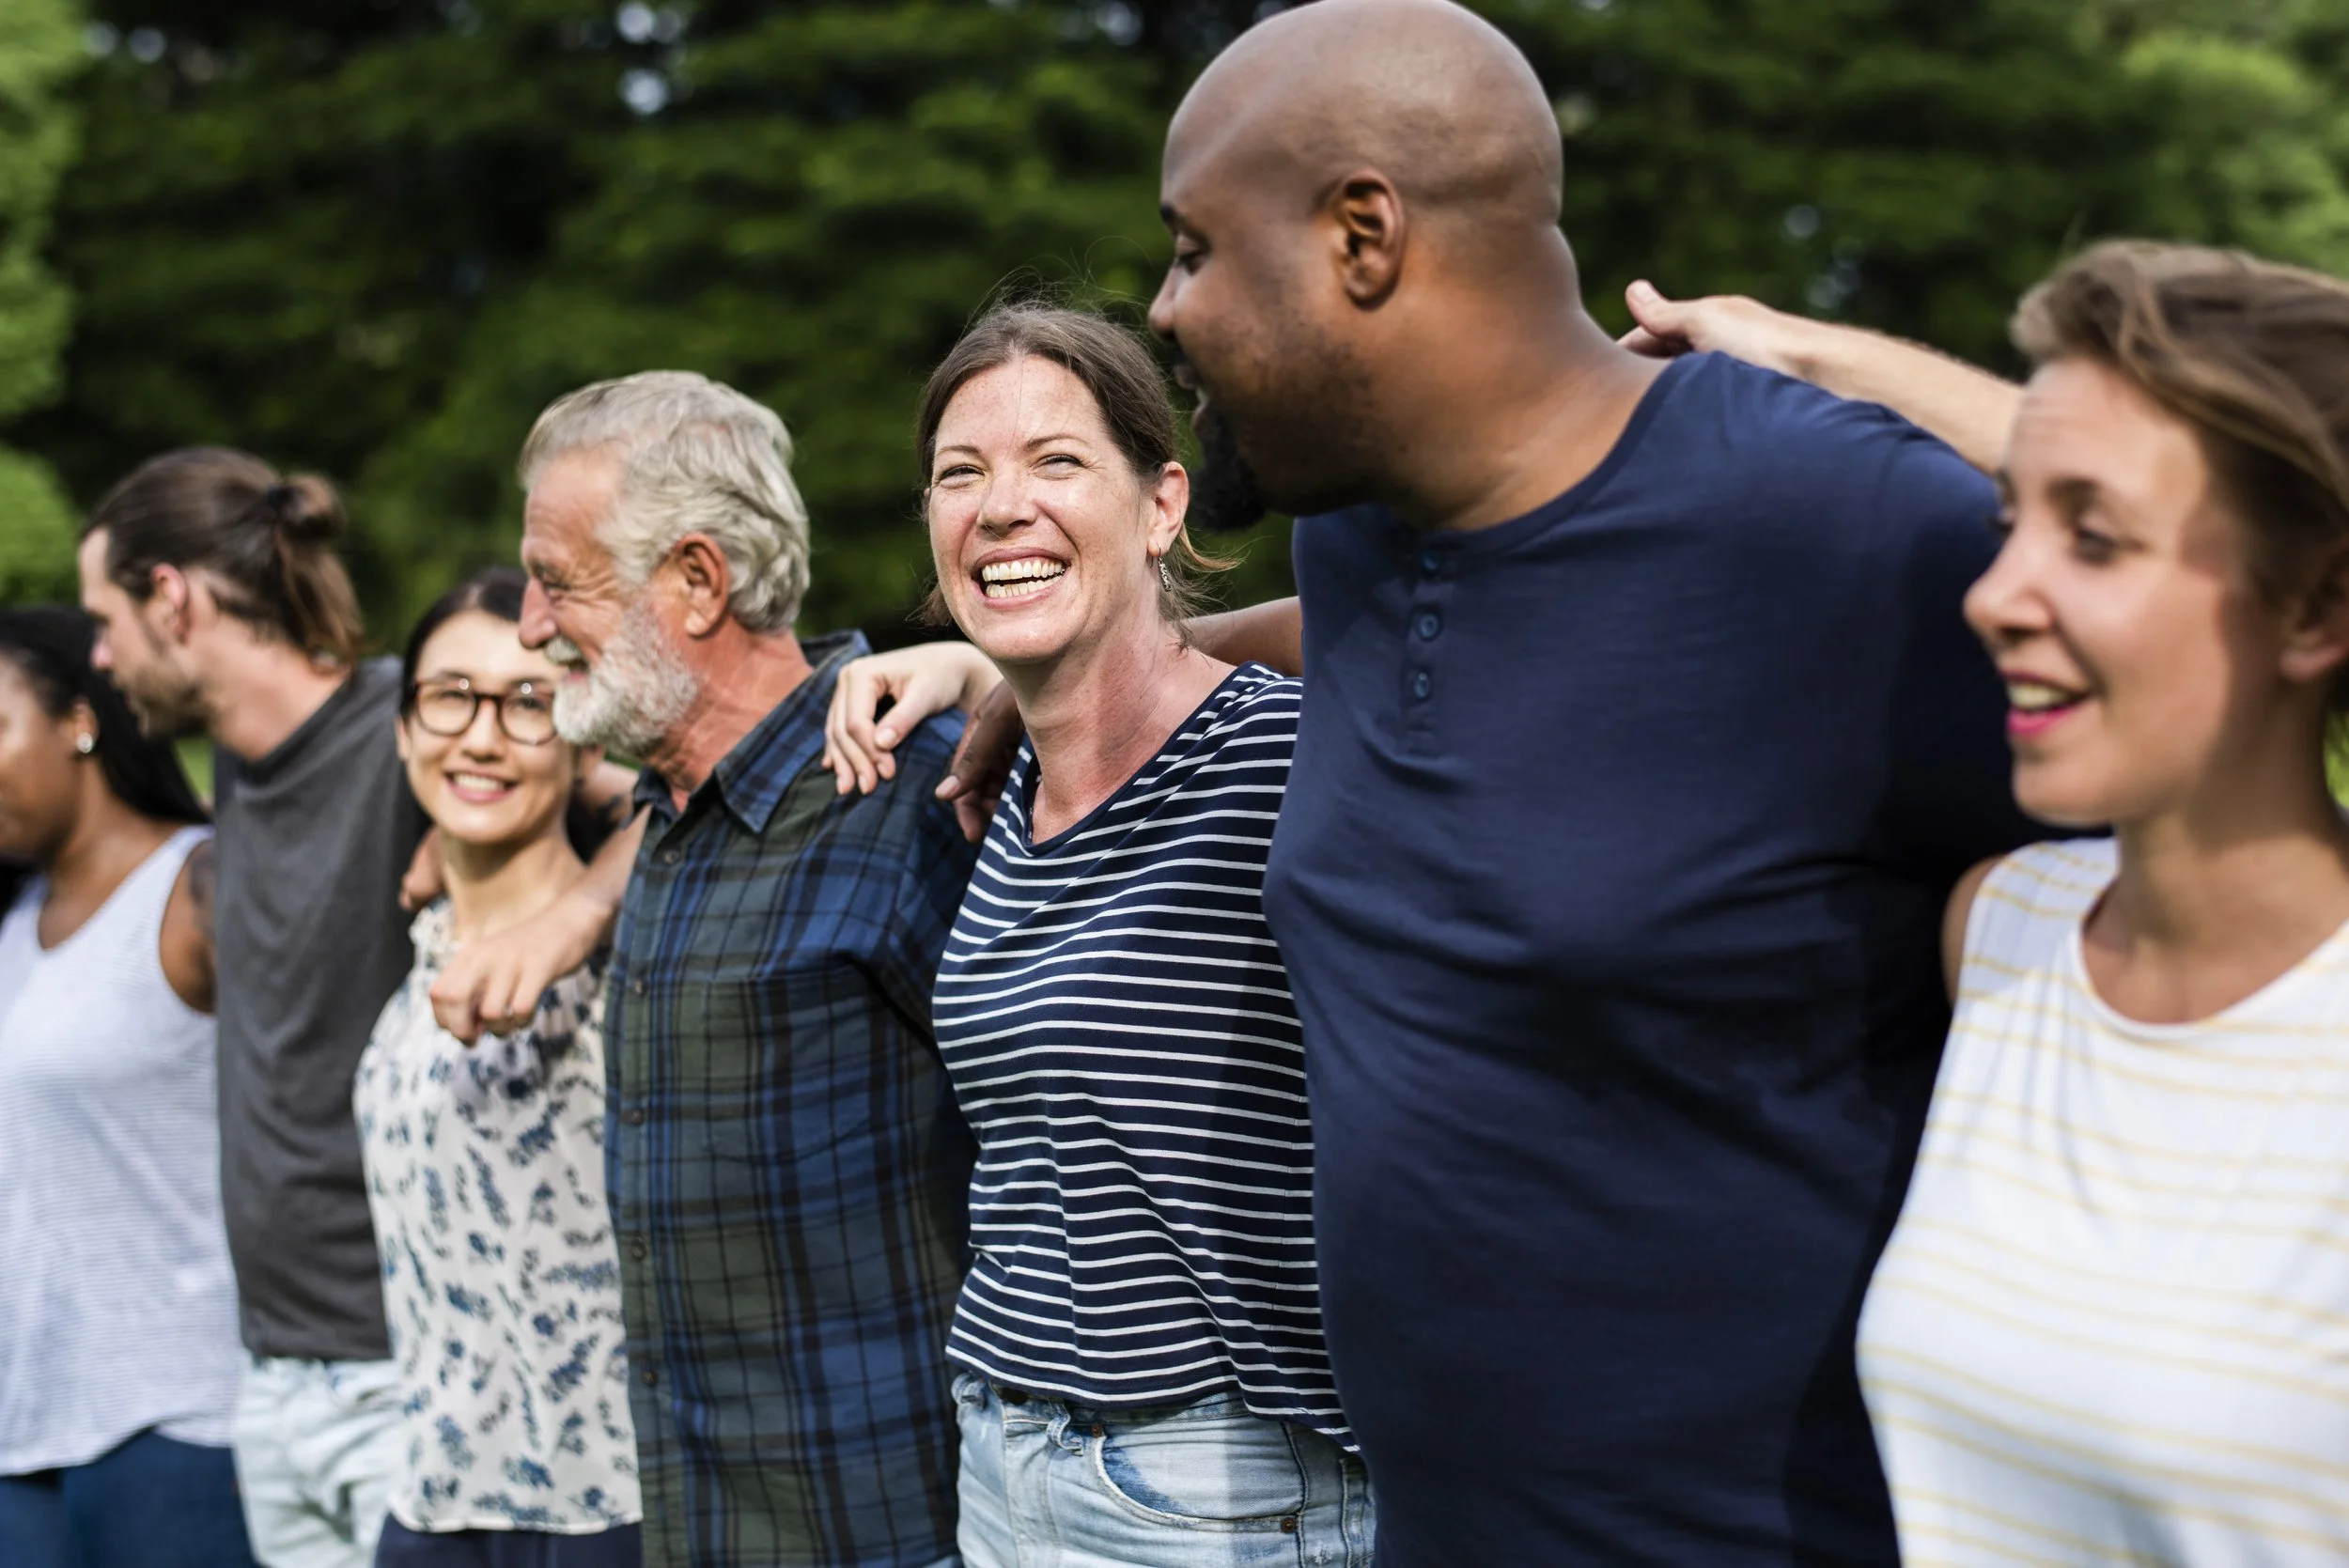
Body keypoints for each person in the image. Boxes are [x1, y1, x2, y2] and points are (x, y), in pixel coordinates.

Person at [857, 1, 2049, 1560]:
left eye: (1195, 251)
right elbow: (1422, 631)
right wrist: (1046, 666)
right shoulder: (1368, 531)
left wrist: (1833, 351)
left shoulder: (1829, 523)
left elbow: (2244, 622)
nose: (1167, 308)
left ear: (1364, 234)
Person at [826, 305, 1370, 1565]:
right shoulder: (1004, 786)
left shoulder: (1278, 757)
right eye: (961, 475)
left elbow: (1431, 628)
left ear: (1163, 503)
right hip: (1000, 1454)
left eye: (1056, 461)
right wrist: (986, 681)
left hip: (1211, 1483)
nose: (999, 506)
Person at [1846, 243, 2349, 1561]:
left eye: (2096, 537)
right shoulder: (2002, 932)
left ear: (2318, 606)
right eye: (2012, 518)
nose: (1996, 591)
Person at [74, 450, 640, 1568]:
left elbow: (677, 800)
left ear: (172, 599)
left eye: (105, 617)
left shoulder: (430, 723)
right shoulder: (241, 768)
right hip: (272, 1382)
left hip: (413, 1382)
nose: (97, 655)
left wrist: (569, 915)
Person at [508, 370, 979, 1568]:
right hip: (703, 1523)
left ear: (699, 581)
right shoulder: (669, 816)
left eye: (557, 579)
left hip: (894, 1524)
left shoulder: (914, 785)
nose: (526, 622)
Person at [353, 569, 642, 1567]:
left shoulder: (631, 952)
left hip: (600, 1516)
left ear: (584, 736)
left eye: (529, 704)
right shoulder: (417, 957)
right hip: (431, 1506)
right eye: (449, 697)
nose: (480, 736)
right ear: (402, 726)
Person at [0, 606, 256, 1568]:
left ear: (77, 719)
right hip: (25, 1437)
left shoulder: (198, 887)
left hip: (178, 1423)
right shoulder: (15, 918)